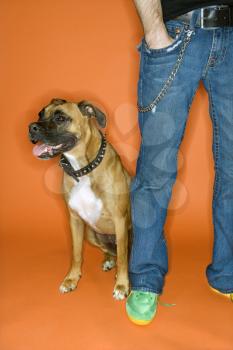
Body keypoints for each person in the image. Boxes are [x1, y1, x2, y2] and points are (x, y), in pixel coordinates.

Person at [126, 0, 233, 325]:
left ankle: (227, 272)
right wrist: (155, 31)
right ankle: (144, 277)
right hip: (176, 33)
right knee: (155, 170)